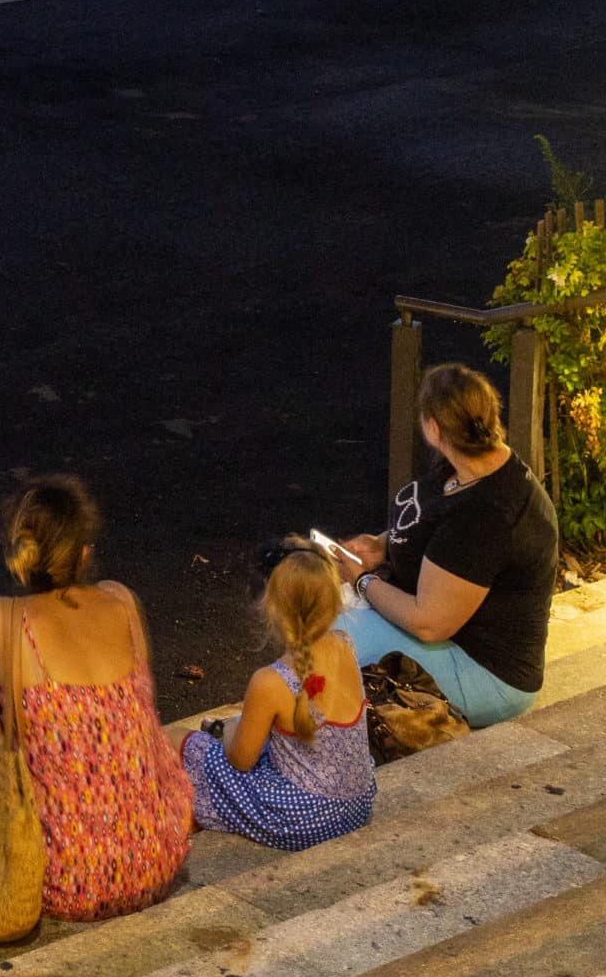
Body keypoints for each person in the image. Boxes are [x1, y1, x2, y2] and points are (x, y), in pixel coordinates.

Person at [0, 476, 192, 921]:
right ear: (84, 552)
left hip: (66, 879)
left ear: (18, 556)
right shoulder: (122, 599)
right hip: (154, 859)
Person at [335, 361, 557, 728]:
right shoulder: (471, 464)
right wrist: (383, 544)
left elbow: (428, 622)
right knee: (325, 618)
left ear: (434, 428)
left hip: (488, 673)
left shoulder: (489, 515)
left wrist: (363, 580)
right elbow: (436, 522)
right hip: (457, 639)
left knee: (330, 637)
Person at [183, 541, 375, 851]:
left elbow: (240, 761)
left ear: (270, 605)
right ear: (334, 601)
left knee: (179, 742)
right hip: (356, 806)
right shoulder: (346, 645)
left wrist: (231, 728)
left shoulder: (270, 680)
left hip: (302, 818)